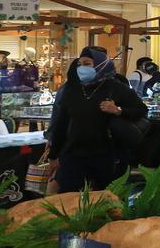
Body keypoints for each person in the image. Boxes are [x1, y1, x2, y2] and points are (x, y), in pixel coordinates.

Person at [47, 46, 147, 193]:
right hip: (73, 154)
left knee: (106, 199)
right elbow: (62, 123)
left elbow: (141, 110)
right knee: (70, 197)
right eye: (79, 64)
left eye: (87, 64)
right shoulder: (72, 90)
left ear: (101, 64)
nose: (82, 68)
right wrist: (53, 154)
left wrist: (118, 110)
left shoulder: (116, 87)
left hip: (107, 155)